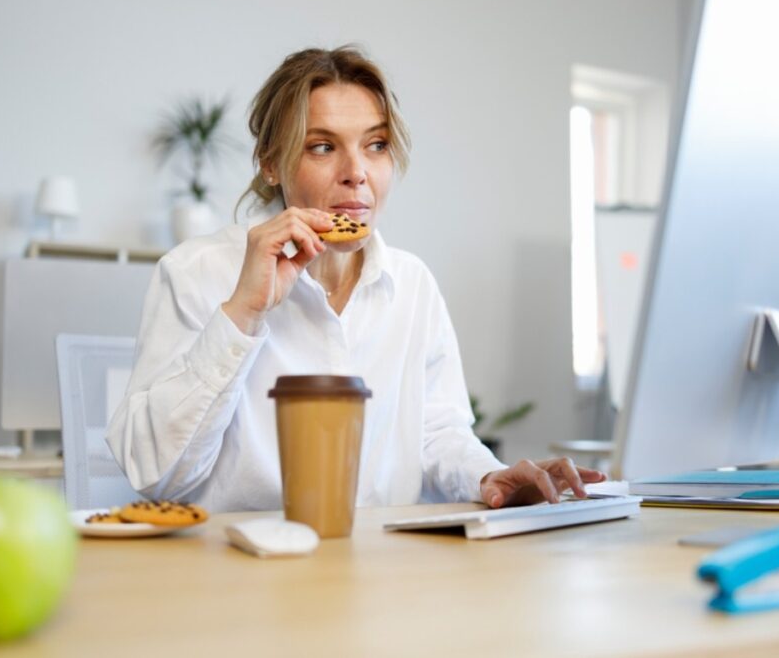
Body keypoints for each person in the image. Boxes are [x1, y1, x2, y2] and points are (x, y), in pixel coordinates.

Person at [106, 45, 605, 512]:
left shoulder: (412, 284)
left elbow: (436, 431)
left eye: (377, 145)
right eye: (322, 147)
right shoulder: (195, 273)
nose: (357, 172)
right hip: (240, 576)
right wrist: (243, 314)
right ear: (270, 163)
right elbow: (155, 475)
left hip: (379, 572)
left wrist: (488, 476)